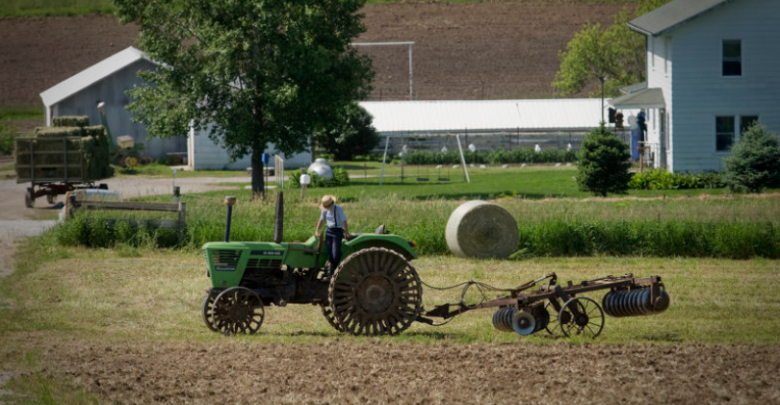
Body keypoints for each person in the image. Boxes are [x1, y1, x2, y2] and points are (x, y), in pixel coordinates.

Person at [315, 195, 350, 277]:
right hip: (329, 231)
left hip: (337, 231)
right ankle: (332, 272)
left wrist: (346, 232)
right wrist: (317, 231)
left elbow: (344, 220)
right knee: (329, 252)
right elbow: (321, 220)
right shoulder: (324, 210)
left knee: (335, 254)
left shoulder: (338, 209)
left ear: (331, 204)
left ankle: (336, 267)